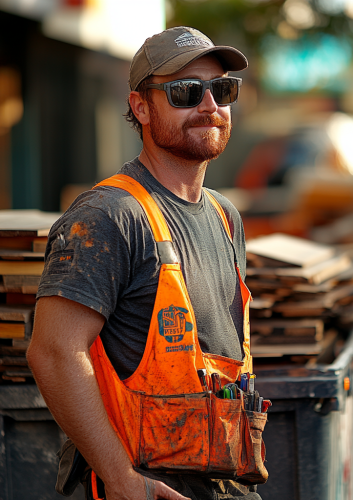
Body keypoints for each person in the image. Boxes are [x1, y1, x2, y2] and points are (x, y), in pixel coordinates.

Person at [27, 27, 266, 500]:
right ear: (140, 107)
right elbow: (53, 352)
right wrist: (120, 479)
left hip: (223, 478)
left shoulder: (224, 217)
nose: (209, 105)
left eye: (222, 90)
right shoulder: (109, 216)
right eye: (184, 91)